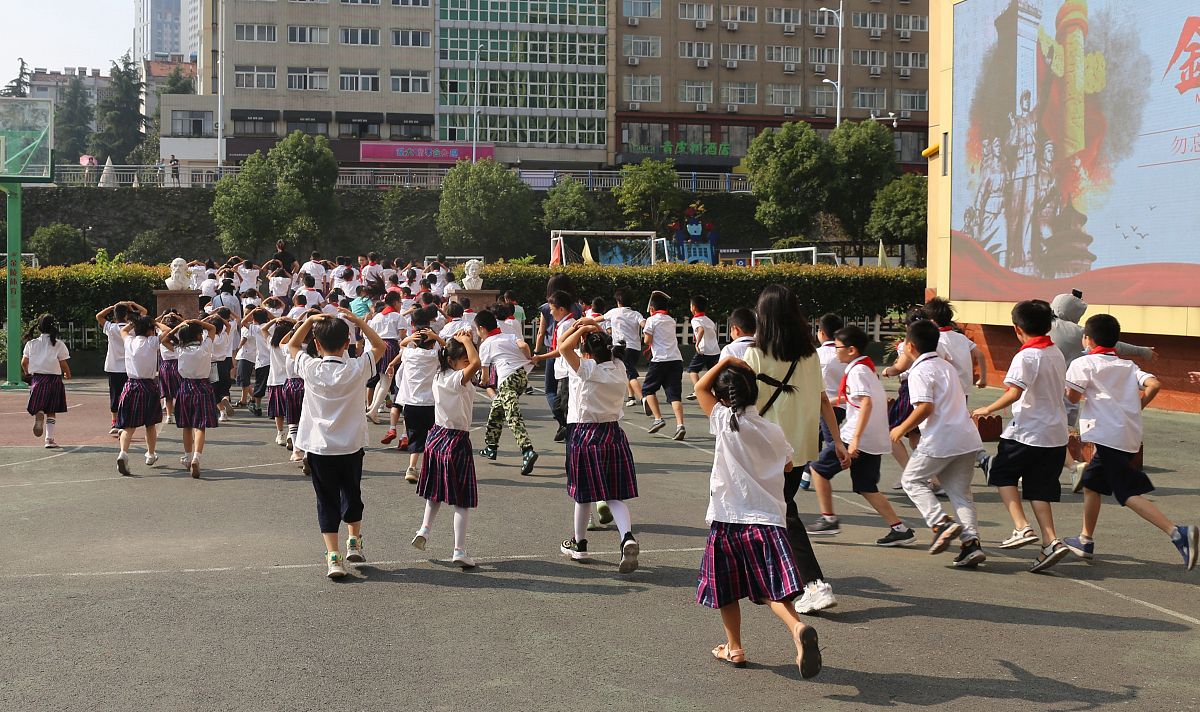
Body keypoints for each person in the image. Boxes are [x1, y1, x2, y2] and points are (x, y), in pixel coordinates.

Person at [693, 359, 821, 679]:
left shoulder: (724, 421)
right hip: (768, 519)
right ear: (754, 393)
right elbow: (789, 466)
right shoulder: (772, 430)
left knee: (726, 588)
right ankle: (797, 627)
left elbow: (699, 387)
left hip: (729, 517)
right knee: (768, 588)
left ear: (724, 398)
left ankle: (734, 647)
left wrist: (726, 360)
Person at [1061, 314, 1196, 570]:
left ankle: (1177, 533)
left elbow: (1072, 396)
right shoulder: (1128, 365)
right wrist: (1138, 405)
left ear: (1087, 339)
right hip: (1127, 436)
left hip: (1106, 436)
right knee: (1092, 484)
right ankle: (1085, 540)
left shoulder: (1083, 363)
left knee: (1127, 493)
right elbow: (1154, 384)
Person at [743, 285, 846, 613]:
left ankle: (814, 583)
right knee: (776, 510)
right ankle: (783, 576)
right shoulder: (809, 354)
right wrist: (837, 441)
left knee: (781, 512)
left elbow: (744, 405)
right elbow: (823, 400)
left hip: (765, 448)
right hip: (799, 447)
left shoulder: (755, 354)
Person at [972, 300, 1071, 572]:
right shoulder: (1055, 352)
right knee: (1040, 488)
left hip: (1027, 431)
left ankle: (1021, 526)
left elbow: (1014, 392)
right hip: (1055, 434)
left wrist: (987, 409)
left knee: (1001, 474)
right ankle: (1051, 541)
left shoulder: (1026, 356)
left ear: (1017, 329)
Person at [288, 309, 384, 578]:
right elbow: (380, 346)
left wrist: (308, 321)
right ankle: (354, 540)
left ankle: (333, 556)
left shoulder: (310, 367)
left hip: (320, 447)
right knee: (352, 493)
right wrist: (359, 321)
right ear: (347, 343)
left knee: (326, 500)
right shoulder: (356, 368)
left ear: (317, 345)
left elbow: (293, 345)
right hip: (351, 445)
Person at [804, 325, 915, 546]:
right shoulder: (865, 369)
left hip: (858, 437)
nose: (835, 352)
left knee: (818, 469)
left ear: (851, 350)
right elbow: (855, 400)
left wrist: (854, 440)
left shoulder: (858, 372)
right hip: (871, 438)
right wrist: (827, 402)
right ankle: (899, 529)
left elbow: (866, 403)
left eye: (838, 348)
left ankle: (828, 519)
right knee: (866, 487)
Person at [891, 319, 986, 568]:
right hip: (966, 438)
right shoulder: (946, 366)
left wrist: (901, 428)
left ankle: (940, 522)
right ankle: (971, 544)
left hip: (940, 438)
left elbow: (925, 407)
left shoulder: (919, 371)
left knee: (911, 480)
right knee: (961, 494)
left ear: (909, 347)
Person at [555, 320, 641, 572]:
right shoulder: (619, 367)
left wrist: (581, 328)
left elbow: (563, 347)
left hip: (585, 433)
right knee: (613, 494)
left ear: (588, 354)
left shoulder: (588, 368)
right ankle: (627, 537)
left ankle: (579, 543)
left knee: (582, 494)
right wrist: (594, 327)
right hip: (612, 432)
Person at [411, 333, 482, 569]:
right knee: (462, 500)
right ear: (453, 361)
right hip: (456, 439)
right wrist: (468, 342)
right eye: (464, 359)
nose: (468, 362)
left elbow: (450, 353)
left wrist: (457, 341)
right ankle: (459, 550)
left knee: (435, 492)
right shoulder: (457, 379)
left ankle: (424, 529)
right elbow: (476, 363)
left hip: (436, 437)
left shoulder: (440, 374)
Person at [476, 310, 539, 476]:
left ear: (482, 328)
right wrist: (529, 358)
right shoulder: (509, 336)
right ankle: (491, 446)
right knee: (496, 410)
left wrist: (483, 381)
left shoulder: (486, 344)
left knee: (512, 415)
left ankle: (527, 450)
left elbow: (485, 373)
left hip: (507, 379)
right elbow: (524, 346)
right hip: (521, 377)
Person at [385, 309, 442, 483]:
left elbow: (402, 346)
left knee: (415, 436)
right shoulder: (434, 355)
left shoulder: (409, 354)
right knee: (432, 435)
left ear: (415, 344)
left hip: (410, 403)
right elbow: (447, 349)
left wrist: (410, 338)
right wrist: (436, 337)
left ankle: (412, 467)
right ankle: (431, 467)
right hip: (430, 403)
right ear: (433, 345)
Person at [162, 319, 219, 478]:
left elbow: (164, 340)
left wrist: (178, 327)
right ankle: (196, 457)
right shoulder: (205, 347)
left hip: (185, 387)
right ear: (199, 335)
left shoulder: (180, 349)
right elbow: (213, 328)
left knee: (187, 425)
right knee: (200, 426)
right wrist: (197, 321)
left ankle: (187, 456)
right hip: (203, 387)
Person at [799, 313, 847, 492]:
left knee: (830, 441)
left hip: (823, 404)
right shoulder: (845, 353)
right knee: (818, 436)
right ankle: (806, 474)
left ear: (822, 333)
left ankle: (819, 468)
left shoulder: (816, 355)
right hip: (842, 405)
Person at [115, 314, 165, 476]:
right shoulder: (152, 342)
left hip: (130, 385)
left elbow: (123, 330)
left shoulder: (129, 341)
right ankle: (150, 454)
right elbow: (168, 331)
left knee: (128, 426)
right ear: (150, 330)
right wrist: (156, 322)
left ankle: (123, 453)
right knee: (150, 424)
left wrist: (134, 323)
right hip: (148, 386)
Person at [532, 290, 578, 443]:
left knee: (563, 406)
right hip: (564, 369)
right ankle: (566, 428)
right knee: (559, 405)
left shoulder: (566, 326)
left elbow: (560, 351)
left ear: (561, 309)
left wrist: (540, 356)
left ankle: (570, 431)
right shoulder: (565, 324)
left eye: (552, 309)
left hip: (567, 370)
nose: (550, 313)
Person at [641, 291, 686, 441]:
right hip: (676, 359)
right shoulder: (671, 320)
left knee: (648, 389)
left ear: (652, 308)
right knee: (674, 395)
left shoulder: (651, 320)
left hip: (660, 360)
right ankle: (680, 425)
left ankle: (658, 418)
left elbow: (647, 340)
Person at [22, 315, 71, 449]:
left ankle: (39, 413)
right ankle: (49, 439)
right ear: (53, 327)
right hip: (54, 380)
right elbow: (63, 363)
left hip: (37, 379)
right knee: (51, 410)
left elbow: (24, 362)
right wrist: (67, 373)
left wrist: (27, 373)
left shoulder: (31, 344)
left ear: (38, 328)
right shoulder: (58, 344)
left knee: (40, 406)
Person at [96, 301, 145, 437]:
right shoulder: (132, 328)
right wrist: (132, 305)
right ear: (127, 315)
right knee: (128, 395)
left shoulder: (111, 328)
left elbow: (99, 316)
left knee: (114, 394)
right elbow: (144, 312)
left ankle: (115, 422)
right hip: (129, 367)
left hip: (113, 367)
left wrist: (113, 307)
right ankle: (124, 422)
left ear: (115, 315)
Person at [923, 297, 988, 392]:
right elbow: (980, 355)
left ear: (932, 322)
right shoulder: (961, 337)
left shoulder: (936, 340)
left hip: (947, 390)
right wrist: (983, 379)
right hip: (964, 388)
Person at [604, 288, 645, 407]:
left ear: (618, 301)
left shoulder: (614, 312)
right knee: (626, 371)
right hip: (635, 349)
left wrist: (583, 321)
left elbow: (598, 319)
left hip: (621, 348)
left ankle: (643, 398)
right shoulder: (636, 314)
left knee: (630, 374)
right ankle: (631, 396)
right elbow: (645, 325)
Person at [263, 317, 296, 448]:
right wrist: (292, 322)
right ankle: (291, 433)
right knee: (292, 409)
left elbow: (264, 329)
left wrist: (275, 320)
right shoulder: (290, 346)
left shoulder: (271, 343)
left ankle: (280, 433)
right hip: (290, 380)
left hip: (275, 381)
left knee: (278, 410)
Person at [686, 295, 722, 401]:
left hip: (703, 350)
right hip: (714, 350)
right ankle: (718, 393)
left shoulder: (695, 320)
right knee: (714, 373)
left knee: (692, 370)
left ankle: (698, 390)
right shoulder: (709, 320)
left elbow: (701, 330)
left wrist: (697, 343)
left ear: (693, 308)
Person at [157, 313, 184, 424]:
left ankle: (169, 416)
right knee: (180, 391)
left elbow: (158, 325)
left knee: (168, 393)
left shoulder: (161, 336)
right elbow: (186, 324)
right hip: (178, 364)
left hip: (165, 365)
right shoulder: (180, 335)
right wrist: (179, 319)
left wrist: (163, 317)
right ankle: (180, 413)